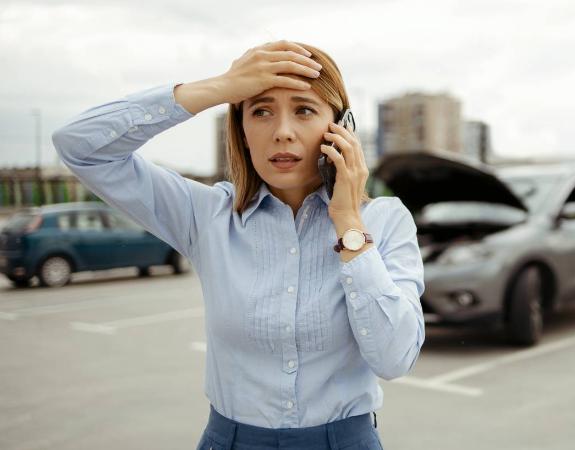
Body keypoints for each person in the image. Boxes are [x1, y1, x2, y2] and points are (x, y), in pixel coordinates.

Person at [52, 40, 425, 450]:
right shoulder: (206, 215)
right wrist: (221, 87)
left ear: (341, 129)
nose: (282, 132)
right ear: (242, 131)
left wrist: (349, 224)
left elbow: (395, 358)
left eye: (304, 110)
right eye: (261, 111)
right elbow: (79, 146)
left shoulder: (385, 221)